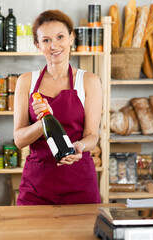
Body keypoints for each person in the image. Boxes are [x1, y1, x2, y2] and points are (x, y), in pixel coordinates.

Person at [13, 10, 102, 205]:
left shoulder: (89, 81)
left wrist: (80, 146)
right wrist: (44, 120)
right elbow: (19, 140)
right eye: (46, 40)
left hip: (79, 181)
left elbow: (92, 136)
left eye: (60, 37)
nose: (54, 46)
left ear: (71, 37)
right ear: (38, 45)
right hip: (37, 183)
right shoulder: (26, 81)